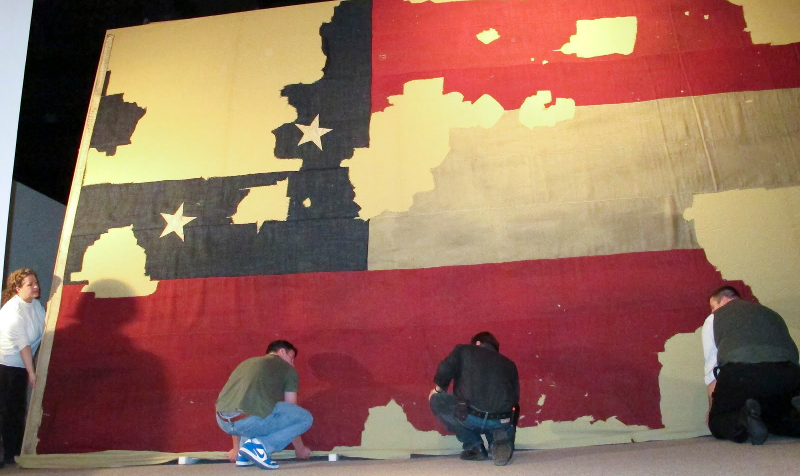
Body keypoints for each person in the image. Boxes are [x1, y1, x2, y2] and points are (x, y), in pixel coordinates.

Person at [702, 285, 800, 444]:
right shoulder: (772, 314)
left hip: (743, 373)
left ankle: (743, 419)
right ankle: (795, 416)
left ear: (725, 299)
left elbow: (711, 369)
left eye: (713, 306)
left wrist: (713, 409)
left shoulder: (714, 318)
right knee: (775, 417)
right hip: (789, 374)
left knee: (719, 421)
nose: (712, 311)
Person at [216, 340, 313, 469]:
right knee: (305, 418)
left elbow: (237, 402)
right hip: (249, 420)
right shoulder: (288, 370)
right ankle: (261, 447)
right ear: (282, 352)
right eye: (291, 358)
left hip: (223, 421)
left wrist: (236, 448)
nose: (292, 364)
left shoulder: (246, 364)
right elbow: (292, 410)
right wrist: (300, 449)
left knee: (263, 409)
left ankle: (244, 455)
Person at [429, 331, 520, 465]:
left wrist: (438, 390)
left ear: (477, 343)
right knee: (499, 421)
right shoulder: (510, 364)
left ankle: (474, 446)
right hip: (502, 419)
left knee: (437, 400)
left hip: (469, 415)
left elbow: (445, 368)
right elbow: (515, 399)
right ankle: (497, 440)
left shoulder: (463, 350)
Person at [0, 269, 46, 465]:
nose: (36, 287)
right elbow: (23, 346)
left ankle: (16, 452)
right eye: (30, 285)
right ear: (18, 289)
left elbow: (47, 330)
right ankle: (9, 455)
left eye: (36, 283)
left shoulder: (36, 306)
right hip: (6, 366)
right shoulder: (11, 311)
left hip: (19, 365)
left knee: (17, 409)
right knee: (8, 410)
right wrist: (31, 372)